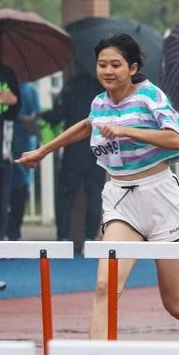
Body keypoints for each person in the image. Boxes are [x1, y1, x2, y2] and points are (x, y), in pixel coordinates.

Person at [17, 33, 179, 355]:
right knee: (103, 286)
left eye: (115, 65)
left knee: (174, 303)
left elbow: (177, 141)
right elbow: (86, 125)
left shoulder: (150, 97)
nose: (108, 71)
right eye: (102, 64)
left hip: (161, 199)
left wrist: (127, 129)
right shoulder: (99, 103)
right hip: (120, 201)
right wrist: (43, 151)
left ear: (133, 68)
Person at [41, 66, 107, 246]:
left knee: (65, 195)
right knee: (94, 195)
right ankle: (89, 238)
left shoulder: (71, 87)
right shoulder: (102, 91)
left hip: (73, 152)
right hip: (97, 152)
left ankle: (62, 237)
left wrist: (41, 115)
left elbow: (56, 115)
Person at [2, 80, 40, 240]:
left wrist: (23, 119)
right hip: (6, 148)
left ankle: (13, 231)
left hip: (21, 147)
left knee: (20, 188)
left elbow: (35, 121)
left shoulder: (29, 90)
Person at [0, 64, 21, 291]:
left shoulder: (7, 73)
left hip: (3, 155)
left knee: (1, 210)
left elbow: (16, 111)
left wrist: (12, 101)